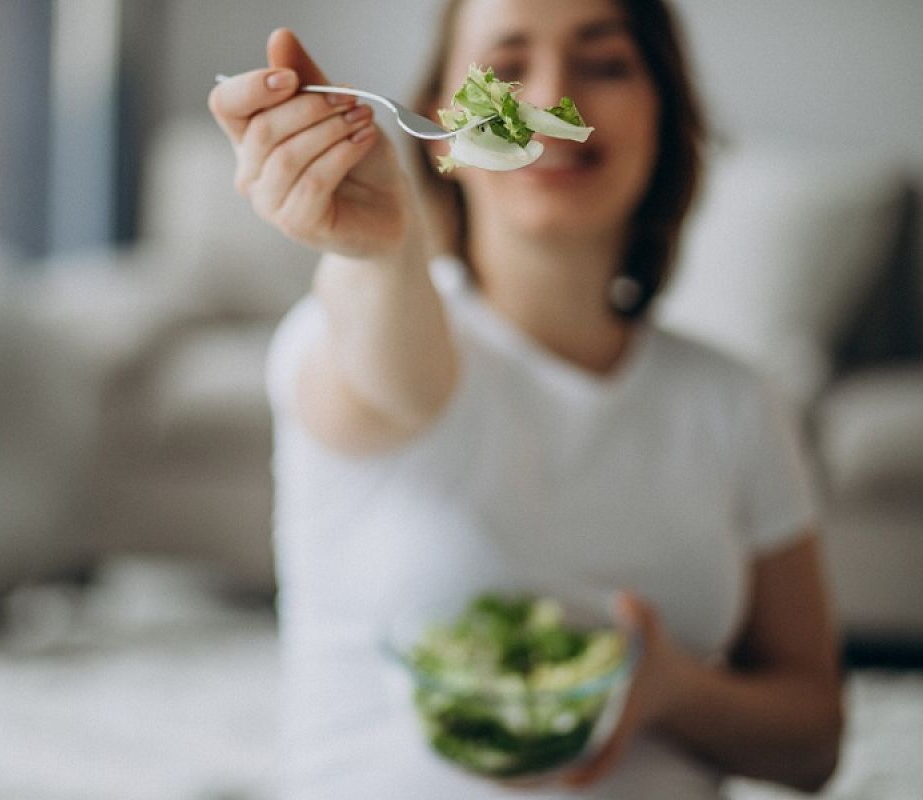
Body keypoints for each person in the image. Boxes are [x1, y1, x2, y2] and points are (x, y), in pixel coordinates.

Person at [208, 1, 843, 797]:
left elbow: (815, 740)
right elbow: (399, 377)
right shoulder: (350, 331)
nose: (547, 96)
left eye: (605, 64)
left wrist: (674, 691)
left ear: (665, 110)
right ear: (441, 123)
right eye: (506, 67)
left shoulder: (737, 402)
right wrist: (380, 255)